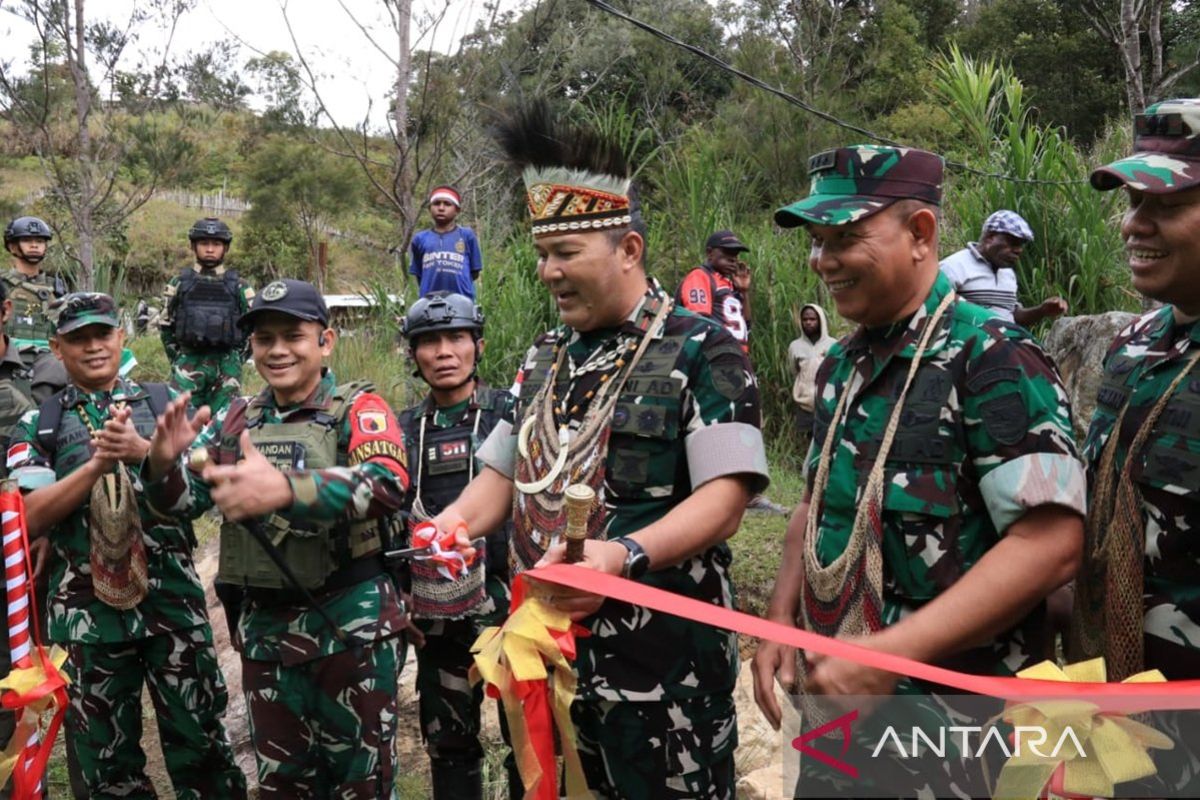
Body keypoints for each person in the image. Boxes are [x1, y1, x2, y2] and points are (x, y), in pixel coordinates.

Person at [427, 100, 769, 798]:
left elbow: (727, 497)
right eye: (542, 255)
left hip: (661, 681)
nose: (549, 273)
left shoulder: (703, 349)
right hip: (547, 667)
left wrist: (621, 557)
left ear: (629, 251)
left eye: (566, 253)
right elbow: (503, 469)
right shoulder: (545, 355)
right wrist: (451, 525)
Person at [751, 145, 1086, 796]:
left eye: (845, 239)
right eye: (817, 243)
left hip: (959, 741)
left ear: (920, 234)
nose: (823, 262)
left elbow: (1051, 545)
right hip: (840, 722)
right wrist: (781, 620)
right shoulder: (841, 368)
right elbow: (813, 506)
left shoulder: (992, 359)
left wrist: (887, 657)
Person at [145, 278, 411, 798]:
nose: (278, 350)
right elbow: (183, 505)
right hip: (267, 637)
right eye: (265, 339)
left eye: (293, 335)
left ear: (325, 341)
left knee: (364, 785)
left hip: (350, 631)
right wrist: (161, 464)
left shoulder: (358, 408)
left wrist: (286, 489)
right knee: (282, 784)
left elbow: (387, 484)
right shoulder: (238, 418)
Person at [6, 292, 246, 799]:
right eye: (78, 338)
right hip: (87, 619)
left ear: (121, 338)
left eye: (102, 334)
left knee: (201, 746)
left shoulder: (163, 406)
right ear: (57, 346)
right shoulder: (41, 423)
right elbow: (28, 516)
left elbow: (201, 497)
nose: (93, 347)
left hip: (174, 608)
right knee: (106, 764)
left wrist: (147, 456)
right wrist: (96, 465)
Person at [1068, 98, 1200, 794]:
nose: (1133, 224)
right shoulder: (1134, 346)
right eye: (1131, 201)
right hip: (1110, 705)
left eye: (1165, 204)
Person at [397, 291, 518, 799]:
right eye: (429, 341)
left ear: (478, 345)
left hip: (514, 613)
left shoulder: (512, 415)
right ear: (414, 354)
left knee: (531, 741)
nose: (444, 351)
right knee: (449, 746)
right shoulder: (400, 429)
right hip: (437, 620)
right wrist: (397, 597)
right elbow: (386, 522)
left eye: (456, 338)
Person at [159, 217, 254, 415]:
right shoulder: (179, 283)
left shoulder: (240, 286)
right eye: (204, 243)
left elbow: (253, 328)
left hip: (227, 369)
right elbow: (166, 325)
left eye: (216, 244)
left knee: (224, 426)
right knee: (180, 423)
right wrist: (179, 359)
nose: (210, 249)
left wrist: (235, 359)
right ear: (194, 246)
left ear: (225, 248)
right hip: (187, 365)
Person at [939, 209, 1068, 327]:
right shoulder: (953, 267)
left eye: (1021, 245)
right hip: (970, 347)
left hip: (1007, 344)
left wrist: (1042, 311)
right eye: (1013, 242)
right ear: (990, 238)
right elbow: (934, 310)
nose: (1018, 250)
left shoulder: (1008, 273)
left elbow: (1013, 316)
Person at [3, 215, 70, 393]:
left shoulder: (57, 291)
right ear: (12, 246)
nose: (34, 245)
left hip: (50, 370)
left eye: (40, 241)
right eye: (26, 240)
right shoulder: (2, 286)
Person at [675, 229, 752, 354]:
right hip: (716, 354)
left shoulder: (729, 284)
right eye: (727, 252)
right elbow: (699, 324)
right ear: (710, 253)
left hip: (738, 355)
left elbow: (747, 327)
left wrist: (744, 292)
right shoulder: (700, 276)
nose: (733, 259)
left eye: (736, 254)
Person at [408, 186, 484, 300]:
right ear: (430, 208)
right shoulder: (420, 239)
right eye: (437, 203)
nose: (441, 208)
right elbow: (419, 274)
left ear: (457, 210)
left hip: (462, 303)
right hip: (429, 304)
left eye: (447, 204)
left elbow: (474, 272)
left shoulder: (467, 236)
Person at [787, 302, 835, 452]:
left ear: (820, 320)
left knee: (827, 440)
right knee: (807, 442)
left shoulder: (833, 345)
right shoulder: (795, 346)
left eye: (813, 319)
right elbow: (794, 371)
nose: (808, 322)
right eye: (805, 319)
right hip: (805, 403)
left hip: (827, 403)